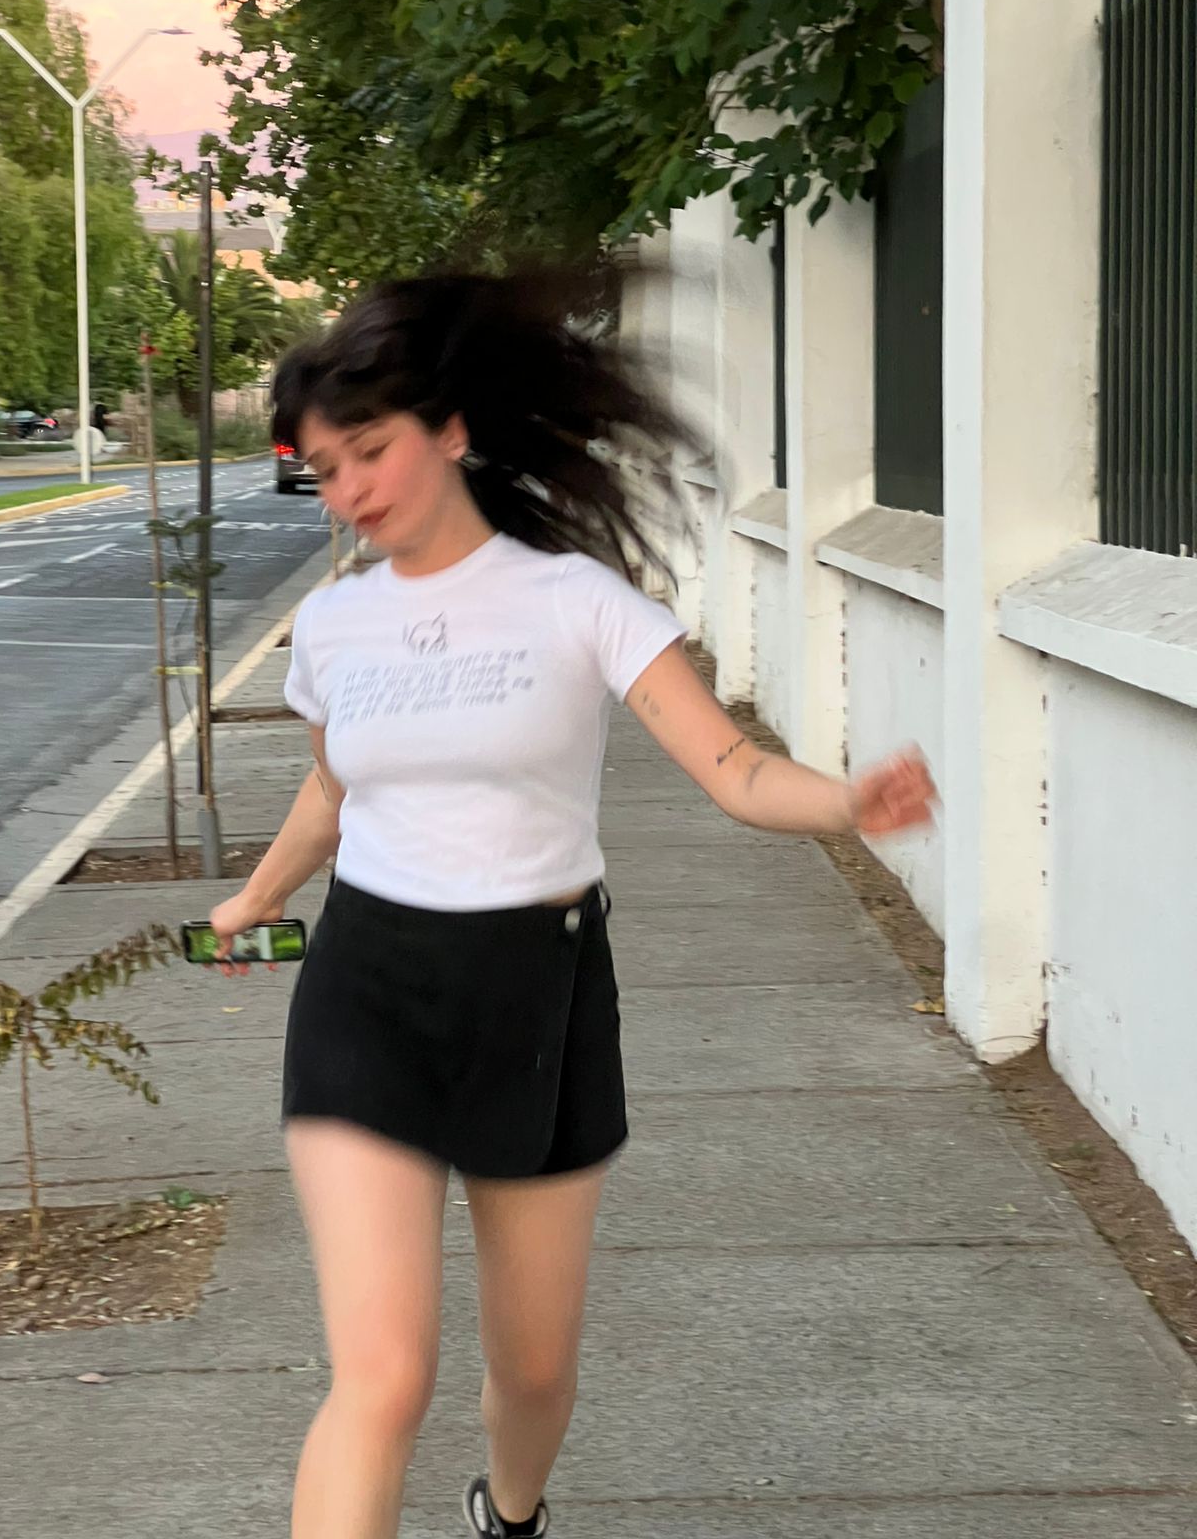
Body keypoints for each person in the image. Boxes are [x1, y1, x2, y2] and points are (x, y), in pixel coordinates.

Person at [209, 272, 936, 1539]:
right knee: (382, 1374)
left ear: (449, 430)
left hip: (535, 993)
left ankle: (510, 1515)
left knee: (535, 1369)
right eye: (324, 471)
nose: (352, 490)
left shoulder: (578, 601)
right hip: (366, 990)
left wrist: (846, 802)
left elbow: (733, 767)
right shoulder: (333, 627)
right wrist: (257, 897)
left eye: (370, 450)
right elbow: (335, 787)